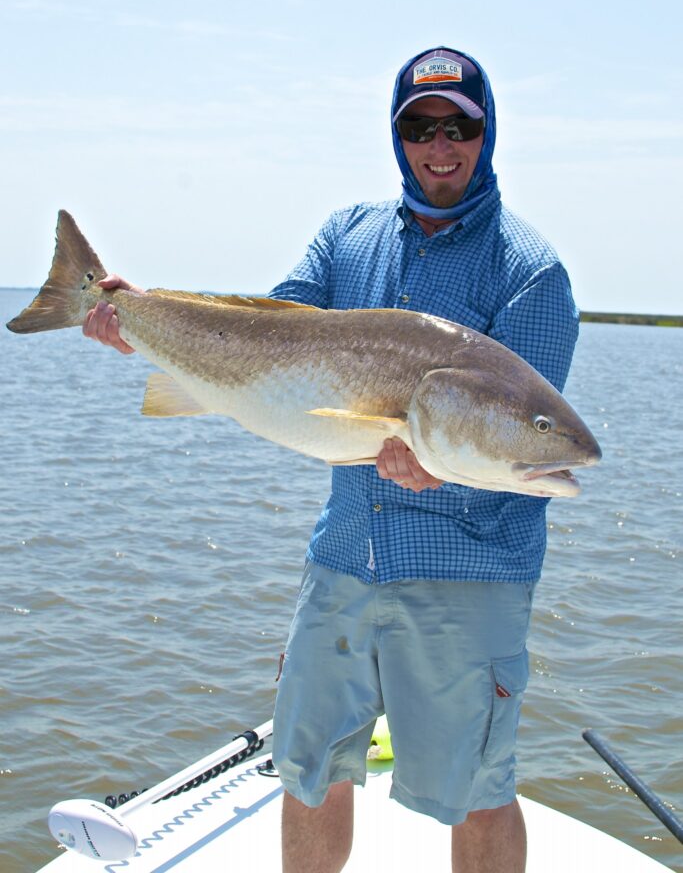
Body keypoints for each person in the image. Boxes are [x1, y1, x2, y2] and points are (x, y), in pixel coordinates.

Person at [83, 47, 579, 873]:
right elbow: (266, 332)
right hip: (345, 553)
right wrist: (137, 318)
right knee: (308, 770)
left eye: (459, 126)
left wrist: (440, 469)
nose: (439, 144)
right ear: (398, 137)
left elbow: (510, 439)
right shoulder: (346, 235)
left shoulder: (529, 272)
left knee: (478, 788)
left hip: (470, 570)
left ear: (486, 134)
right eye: (420, 127)